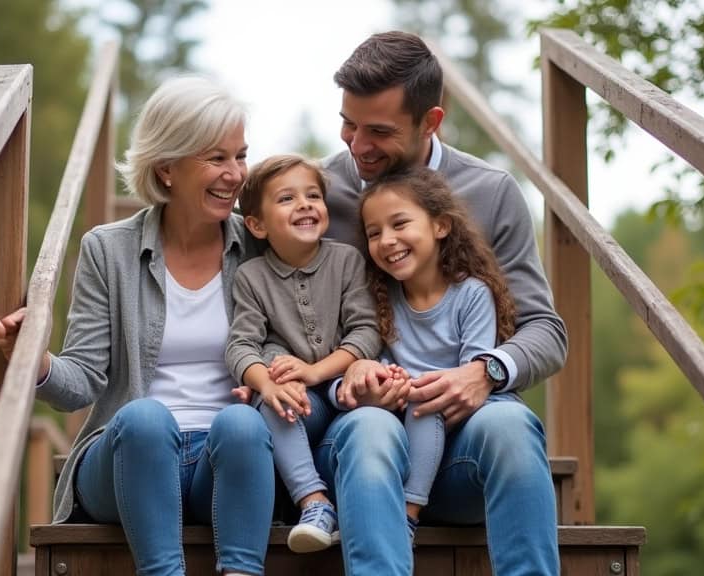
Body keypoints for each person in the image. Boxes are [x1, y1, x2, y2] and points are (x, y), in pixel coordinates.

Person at [0, 76, 274, 576]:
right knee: (144, 419)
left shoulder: (258, 245)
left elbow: (288, 344)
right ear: (167, 168)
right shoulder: (108, 249)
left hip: (223, 460)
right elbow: (81, 383)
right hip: (127, 456)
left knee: (244, 425)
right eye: (216, 158)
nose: (236, 175)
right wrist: (36, 360)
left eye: (240, 156)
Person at [315, 31, 568, 575]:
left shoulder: (491, 193)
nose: (357, 146)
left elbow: (545, 331)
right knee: (372, 428)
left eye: (379, 131)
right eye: (348, 124)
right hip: (361, 443)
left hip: (461, 444)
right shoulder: (316, 195)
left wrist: (483, 372)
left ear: (431, 121)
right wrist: (348, 377)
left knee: (510, 426)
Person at [227, 154, 445, 554]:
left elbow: (366, 331)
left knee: (393, 396)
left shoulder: (347, 261)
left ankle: (406, 509)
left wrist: (314, 370)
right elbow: (242, 344)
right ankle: (314, 503)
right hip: (299, 396)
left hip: (345, 380)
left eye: (313, 195)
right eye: (287, 199)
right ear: (256, 224)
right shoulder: (251, 277)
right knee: (274, 401)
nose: (305, 204)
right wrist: (264, 383)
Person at [352, 166, 516, 544]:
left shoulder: (472, 294)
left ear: (440, 226)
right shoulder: (380, 299)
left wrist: (418, 389)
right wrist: (381, 377)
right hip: (396, 426)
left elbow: (472, 375)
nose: (387, 240)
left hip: (457, 426)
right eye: (374, 233)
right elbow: (375, 357)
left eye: (400, 224)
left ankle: (408, 514)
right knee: (409, 406)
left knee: (425, 405)